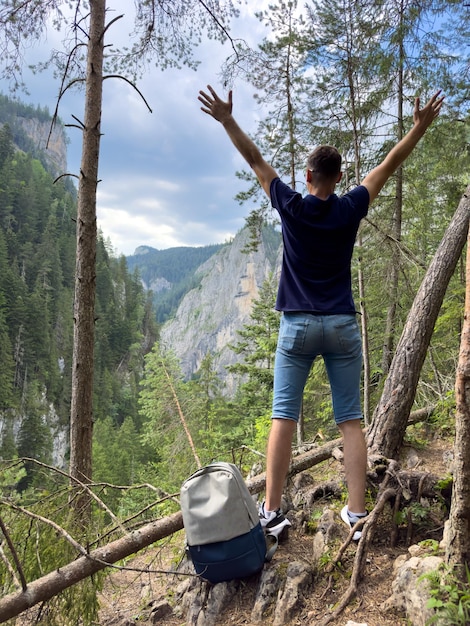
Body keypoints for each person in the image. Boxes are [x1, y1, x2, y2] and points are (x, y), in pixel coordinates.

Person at [198, 85, 444, 541]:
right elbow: (389, 164)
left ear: (308, 175)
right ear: (339, 176)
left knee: (283, 416)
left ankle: (271, 512)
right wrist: (419, 128)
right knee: (351, 420)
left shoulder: (291, 206)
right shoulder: (350, 207)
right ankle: (355, 515)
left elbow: (254, 159)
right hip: (342, 326)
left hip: (298, 326)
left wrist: (227, 120)